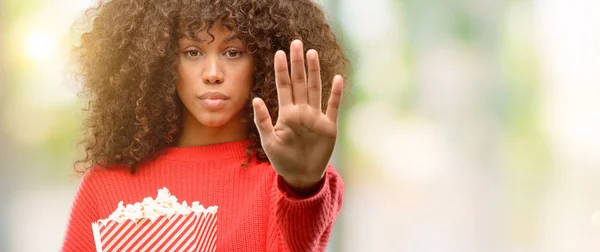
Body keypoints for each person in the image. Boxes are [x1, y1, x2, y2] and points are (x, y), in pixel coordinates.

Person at [62, 0, 349, 251]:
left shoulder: (290, 179)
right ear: (159, 60)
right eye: (193, 52)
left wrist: (304, 188)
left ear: (262, 59)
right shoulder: (105, 184)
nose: (213, 74)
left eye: (233, 52)